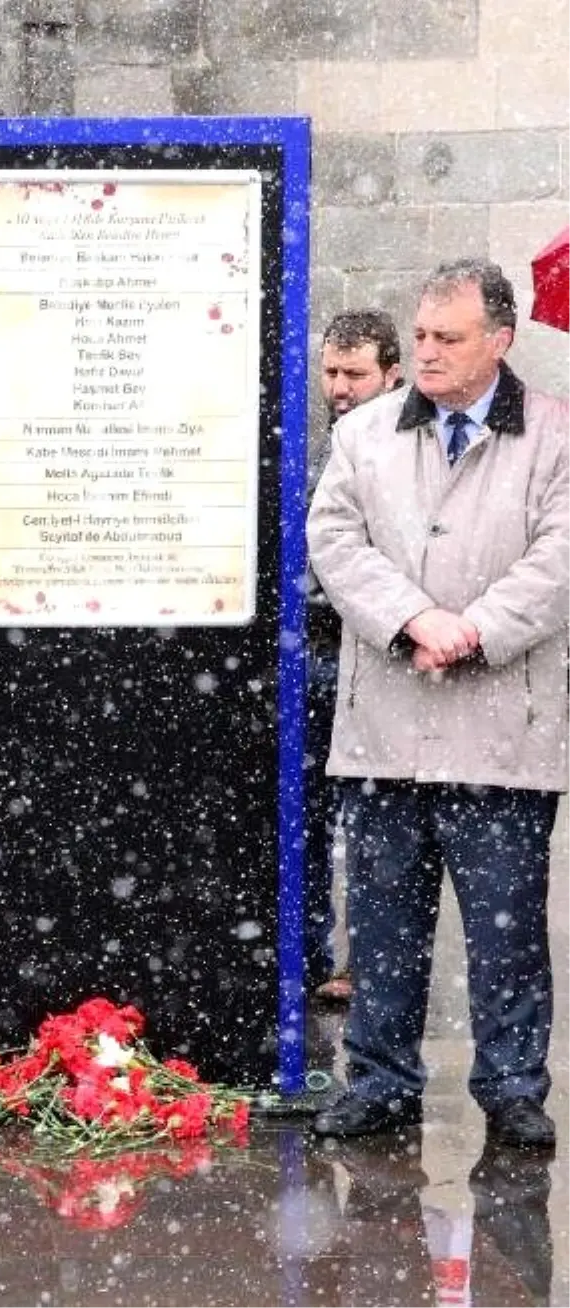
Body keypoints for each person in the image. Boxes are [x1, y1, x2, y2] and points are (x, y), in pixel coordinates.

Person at [308, 258, 570, 1148]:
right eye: (420, 334)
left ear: (500, 340)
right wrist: (413, 617)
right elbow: (333, 539)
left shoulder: (554, 436)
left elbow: (559, 561)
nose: (425, 352)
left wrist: (474, 628)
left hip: (503, 729)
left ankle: (511, 1086)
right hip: (386, 723)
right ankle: (380, 1079)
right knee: (384, 926)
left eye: (447, 338)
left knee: (507, 933)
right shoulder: (366, 433)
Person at [306, 310, 402, 1005]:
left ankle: (366, 963)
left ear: (390, 374)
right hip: (313, 657)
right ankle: (314, 954)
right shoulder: (323, 448)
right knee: (309, 820)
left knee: (373, 832)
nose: (340, 387)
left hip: (374, 658)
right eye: (332, 373)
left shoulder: (403, 449)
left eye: (355, 374)